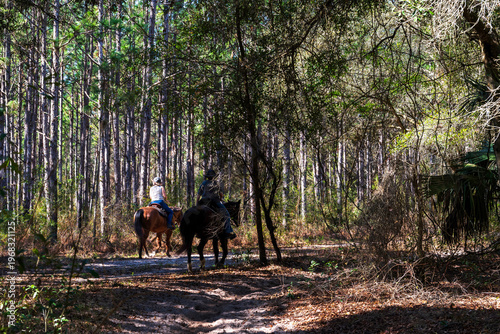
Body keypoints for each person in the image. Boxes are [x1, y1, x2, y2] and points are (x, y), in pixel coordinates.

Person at [196, 169, 237, 240]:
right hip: (215, 202)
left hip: (204, 202)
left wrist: (197, 203)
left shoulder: (204, 183)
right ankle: (228, 232)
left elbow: (198, 195)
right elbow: (221, 194)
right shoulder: (216, 183)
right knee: (227, 214)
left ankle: (197, 231)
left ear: (207, 177)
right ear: (213, 176)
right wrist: (221, 198)